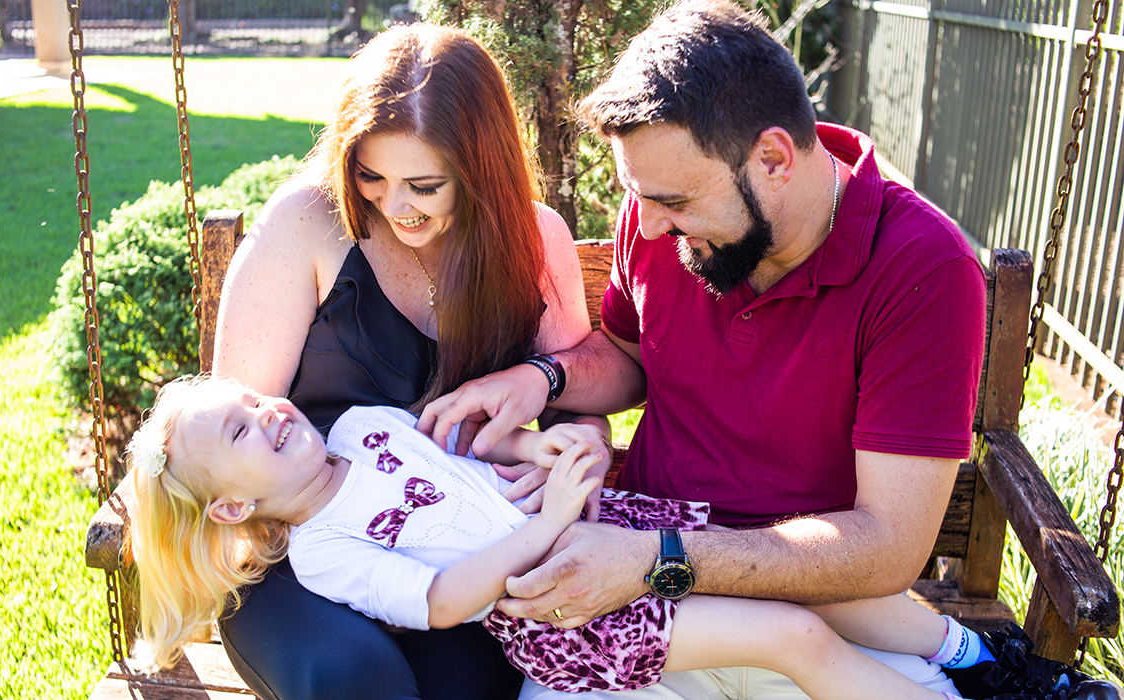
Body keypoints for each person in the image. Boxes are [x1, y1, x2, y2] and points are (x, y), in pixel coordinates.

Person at [416, 2, 1119, 700]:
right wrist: (544, 377)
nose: (650, 225)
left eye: (674, 202)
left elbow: (888, 546)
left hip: (824, 616)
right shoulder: (660, 217)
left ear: (774, 159)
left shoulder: (921, 267)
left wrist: (658, 557)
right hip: (648, 613)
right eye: (640, 197)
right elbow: (627, 358)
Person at [125, 376, 1099, 700]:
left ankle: (978, 660)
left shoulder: (358, 426)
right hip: (565, 612)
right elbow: (443, 600)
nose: (269, 413)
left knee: (791, 567)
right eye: (241, 433)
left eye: (253, 401)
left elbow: (465, 450)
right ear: (230, 510)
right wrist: (548, 523)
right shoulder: (325, 551)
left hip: (609, 525)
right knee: (790, 635)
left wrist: (537, 447)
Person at [209, 23, 605, 699]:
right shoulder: (308, 223)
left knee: (471, 690)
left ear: (481, 169)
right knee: (356, 678)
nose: (395, 206)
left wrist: (570, 464)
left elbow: (575, 406)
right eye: (371, 175)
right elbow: (229, 435)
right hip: (305, 557)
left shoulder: (534, 238)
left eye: (424, 184)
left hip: (459, 558)